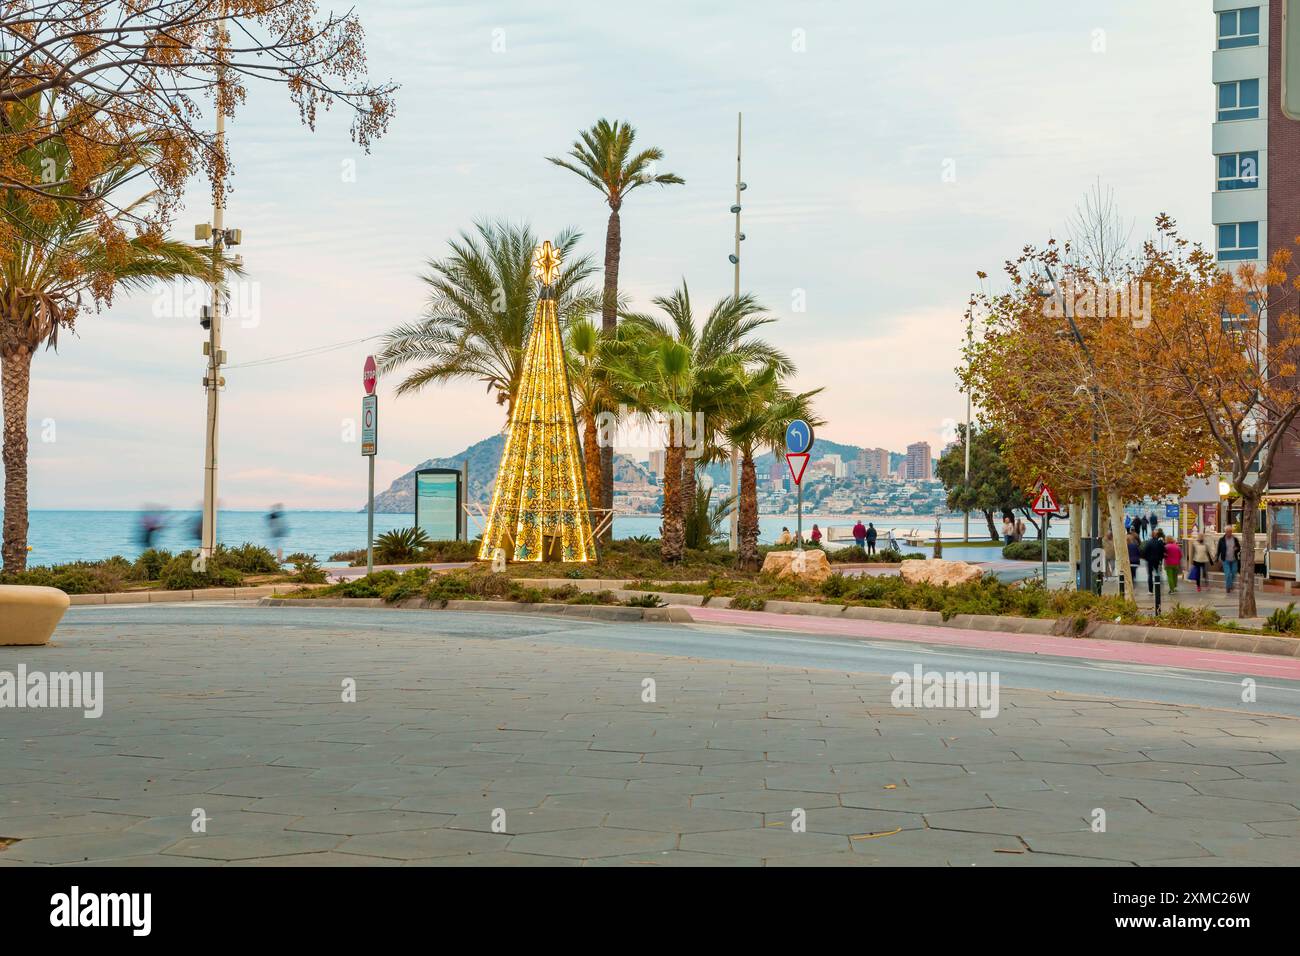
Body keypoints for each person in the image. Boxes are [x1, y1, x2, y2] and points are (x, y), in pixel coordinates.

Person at [1142, 529, 1166, 595]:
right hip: (1157, 560)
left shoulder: (1148, 543)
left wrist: (1146, 558)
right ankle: (1159, 588)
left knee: (1150, 575)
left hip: (1150, 561)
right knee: (1158, 573)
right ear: (1156, 535)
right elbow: (1163, 551)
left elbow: (1144, 552)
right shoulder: (1159, 542)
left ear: (1151, 535)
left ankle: (1150, 591)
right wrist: (1160, 559)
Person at [1217, 526, 1240, 593]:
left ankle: (1230, 585)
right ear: (1225, 532)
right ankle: (1228, 587)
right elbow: (1219, 549)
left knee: (1233, 573)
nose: (1229, 533)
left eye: (1230, 531)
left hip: (1234, 559)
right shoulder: (1221, 540)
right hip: (1225, 560)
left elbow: (1239, 547)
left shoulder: (1235, 539)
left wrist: (1236, 549)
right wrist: (1217, 558)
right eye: (1227, 532)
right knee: (1228, 574)